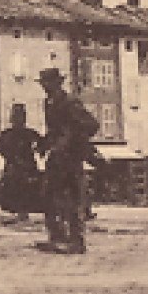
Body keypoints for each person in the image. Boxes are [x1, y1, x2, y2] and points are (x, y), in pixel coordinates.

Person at [37, 68, 99, 255]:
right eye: (43, 83)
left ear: (57, 83)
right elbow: (54, 130)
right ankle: (57, 237)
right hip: (56, 156)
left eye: (47, 82)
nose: (44, 86)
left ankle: (76, 241)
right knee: (48, 196)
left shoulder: (70, 102)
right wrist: (45, 143)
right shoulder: (49, 103)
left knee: (71, 199)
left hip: (70, 157)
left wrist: (70, 140)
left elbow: (91, 125)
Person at [0, 103, 42, 223]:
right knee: (14, 187)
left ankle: (23, 212)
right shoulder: (6, 134)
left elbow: (41, 145)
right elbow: (0, 148)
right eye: (15, 116)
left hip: (27, 166)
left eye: (21, 116)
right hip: (14, 166)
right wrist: (12, 157)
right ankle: (18, 211)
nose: (18, 120)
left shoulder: (30, 134)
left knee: (26, 188)